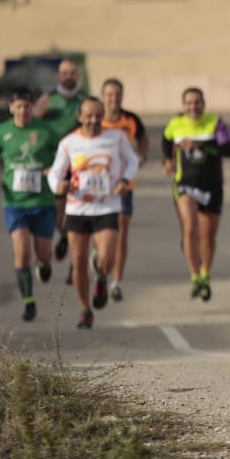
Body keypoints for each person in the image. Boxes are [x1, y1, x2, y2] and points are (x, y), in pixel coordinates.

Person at [47, 96, 138, 329]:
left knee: (107, 256)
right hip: (77, 208)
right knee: (78, 263)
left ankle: (101, 277)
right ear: (80, 117)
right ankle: (85, 309)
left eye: (98, 115)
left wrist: (125, 181)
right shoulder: (69, 142)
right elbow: (55, 173)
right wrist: (57, 185)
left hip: (108, 206)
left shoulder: (116, 138)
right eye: (88, 115)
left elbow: (133, 161)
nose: (93, 120)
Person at [0, 86, 61, 321]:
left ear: (32, 108)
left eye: (27, 107)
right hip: (15, 202)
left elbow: (64, 154)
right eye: (19, 107)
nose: (23, 111)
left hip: (44, 201)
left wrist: (54, 170)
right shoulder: (1, 131)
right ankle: (28, 301)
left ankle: (44, 264)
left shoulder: (46, 130)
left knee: (43, 252)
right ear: (11, 108)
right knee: (22, 249)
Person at [162, 87, 230, 302]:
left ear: (203, 104)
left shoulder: (215, 122)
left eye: (197, 102)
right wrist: (168, 161)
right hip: (185, 184)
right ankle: (194, 277)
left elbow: (228, 150)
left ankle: (205, 275)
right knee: (190, 228)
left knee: (207, 237)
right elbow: (166, 141)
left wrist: (200, 145)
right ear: (183, 105)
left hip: (212, 185)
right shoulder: (176, 124)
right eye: (188, 103)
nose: (193, 107)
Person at [99, 78, 147, 302]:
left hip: (125, 183)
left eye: (117, 94)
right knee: (100, 233)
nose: (113, 99)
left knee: (121, 232)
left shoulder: (131, 119)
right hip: (99, 185)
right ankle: (97, 255)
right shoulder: (95, 121)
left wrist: (141, 155)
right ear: (103, 97)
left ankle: (116, 281)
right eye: (109, 94)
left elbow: (143, 138)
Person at [37, 58, 87, 262]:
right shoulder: (48, 99)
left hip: (78, 161)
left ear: (78, 76)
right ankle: (64, 235)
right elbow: (34, 125)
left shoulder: (84, 100)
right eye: (64, 73)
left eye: (72, 73)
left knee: (80, 206)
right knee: (59, 210)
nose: (68, 76)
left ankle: (79, 255)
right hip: (53, 162)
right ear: (58, 76)